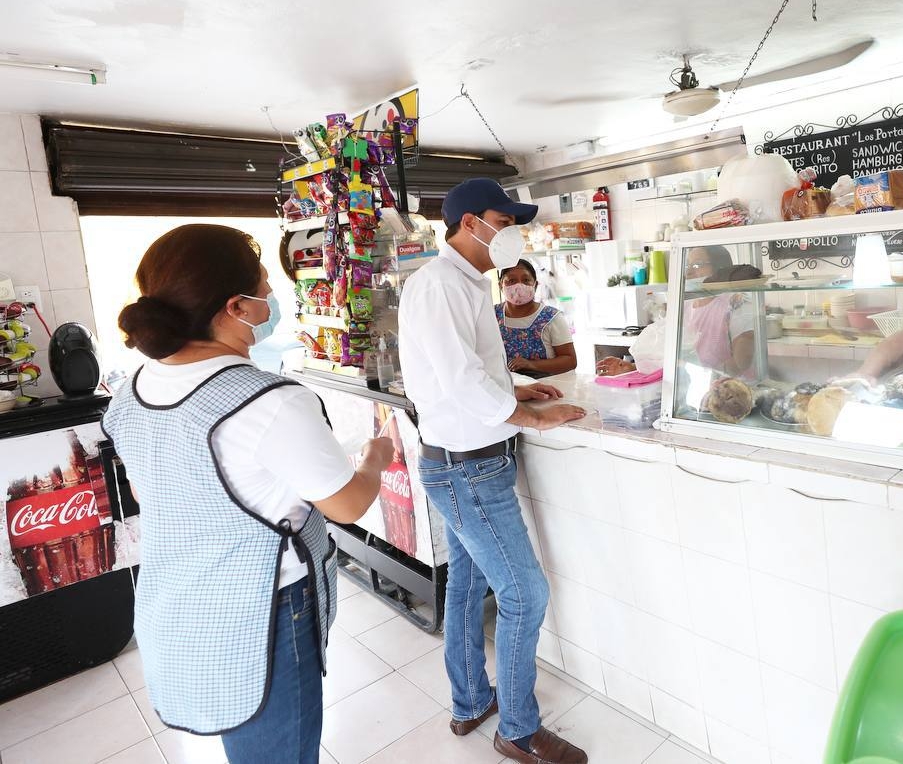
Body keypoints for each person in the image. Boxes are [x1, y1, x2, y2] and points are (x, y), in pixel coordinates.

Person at [102, 224, 393, 764]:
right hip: (266, 610)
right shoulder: (268, 401)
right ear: (236, 306)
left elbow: (152, 491)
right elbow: (348, 505)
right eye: (264, 285)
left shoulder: (131, 391)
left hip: (177, 601)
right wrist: (377, 458)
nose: (273, 297)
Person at [397, 178, 589, 764]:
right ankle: (520, 730)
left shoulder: (462, 284)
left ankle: (469, 703)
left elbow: (475, 370)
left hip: (468, 461)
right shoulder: (439, 286)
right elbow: (458, 379)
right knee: (525, 594)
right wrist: (531, 417)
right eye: (505, 222)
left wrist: (524, 393)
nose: (511, 235)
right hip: (468, 470)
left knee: (467, 583)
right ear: (471, 222)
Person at [595, 244, 756, 377]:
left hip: (731, 392)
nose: (689, 272)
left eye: (697, 265)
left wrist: (700, 377)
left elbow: (740, 364)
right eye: (687, 266)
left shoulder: (736, 304)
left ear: (720, 269)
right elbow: (667, 359)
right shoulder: (683, 306)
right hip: (694, 392)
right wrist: (631, 368)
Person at [497, 259, 577, 377]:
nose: (519, 286)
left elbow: (570, 361)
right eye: (511, 280)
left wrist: (531, 365)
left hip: (549, 389)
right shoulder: (491, 315)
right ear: (500, 285)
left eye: (526, 280)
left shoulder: (551, 317)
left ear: (535, 284)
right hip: (506, 389)